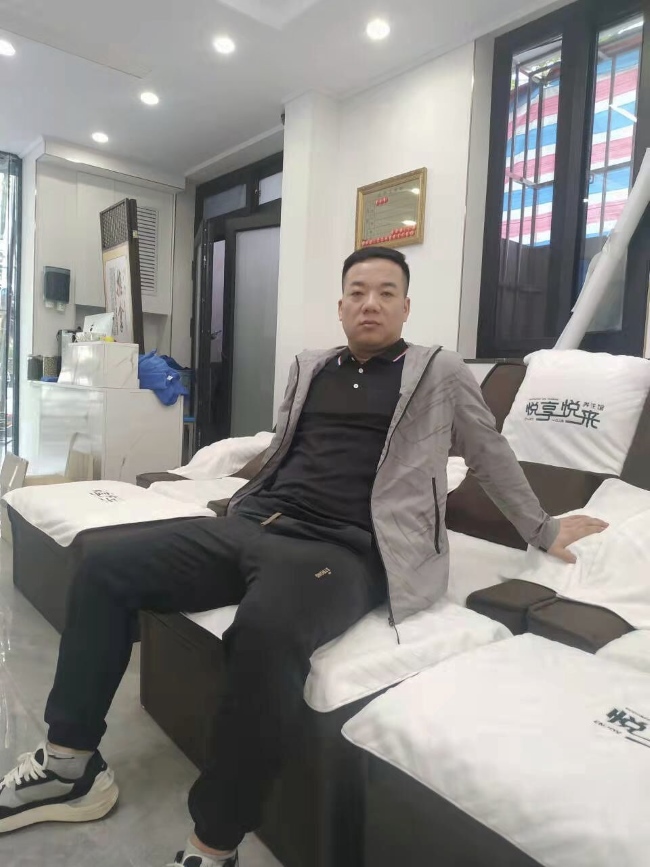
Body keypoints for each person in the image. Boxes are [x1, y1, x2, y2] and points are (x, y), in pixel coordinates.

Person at [0, 247, 607, 866]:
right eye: (358, 292)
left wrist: (543, 528)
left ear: (405, 307)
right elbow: (284, 448)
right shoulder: (310, 365)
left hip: (346, 547)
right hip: (258, 524)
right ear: (341, 305)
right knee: (104, 564)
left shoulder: (439, 371)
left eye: (386, 292)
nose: (370, 303)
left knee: (264, 632)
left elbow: (489, 455)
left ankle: (214, 844)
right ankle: (70, 766)